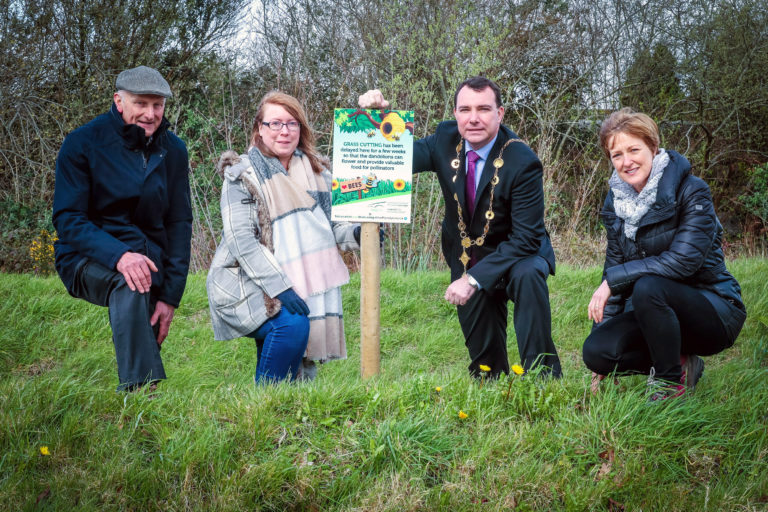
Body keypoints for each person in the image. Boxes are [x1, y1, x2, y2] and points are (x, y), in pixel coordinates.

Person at [359, 77, 561, 378]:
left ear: (500, 114)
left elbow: (528, 238)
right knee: (485, 367)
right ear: (455, 113)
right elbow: (393, 158)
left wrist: (473, 280)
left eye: (483, 109)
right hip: (469, 255)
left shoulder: (523, 162)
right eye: (465, 109)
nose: (474, 118)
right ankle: (491, 388)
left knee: (529, 275)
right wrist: (372, 117)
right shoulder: (444, 138)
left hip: (519, 254)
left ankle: (543, 382)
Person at [582, 108, 747, 401]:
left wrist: (611, 281)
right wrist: (604, 333)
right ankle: (682, 361)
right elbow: (616, 267)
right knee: (597, 351)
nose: (626, 161)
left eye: (634, 149)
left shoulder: (692, 191)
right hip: (655, 312)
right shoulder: (616, 203)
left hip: (713, 308)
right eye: (616, 155)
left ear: (653, 147)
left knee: (648, 286)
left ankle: (670, 384)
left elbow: (683, 262)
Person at [52, 66, 192, 391]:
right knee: (131, 283)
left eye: (157, 105)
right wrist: (120, 256)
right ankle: (142, 393)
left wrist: (170, 297)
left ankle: (138, 418)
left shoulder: (173, 150)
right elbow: (68, 220)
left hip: (149, 259)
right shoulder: (82, 143)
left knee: (145, 296)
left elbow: (180, 224)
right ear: (119, 100)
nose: (150, 113)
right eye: (141, 104)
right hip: (85, 258)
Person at [207, 91, 360, 383]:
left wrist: (360, 235)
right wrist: (281, 288)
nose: (284, 131)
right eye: (275, 123)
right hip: (247, 281)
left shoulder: (320, 173)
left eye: (292, 124)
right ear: (259, 129)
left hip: (302, 281)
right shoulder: (242, 175)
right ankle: (268, 404)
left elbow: (334, 230)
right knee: (291, 326)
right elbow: (241, 241)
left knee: (289, 338)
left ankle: (287, 410)